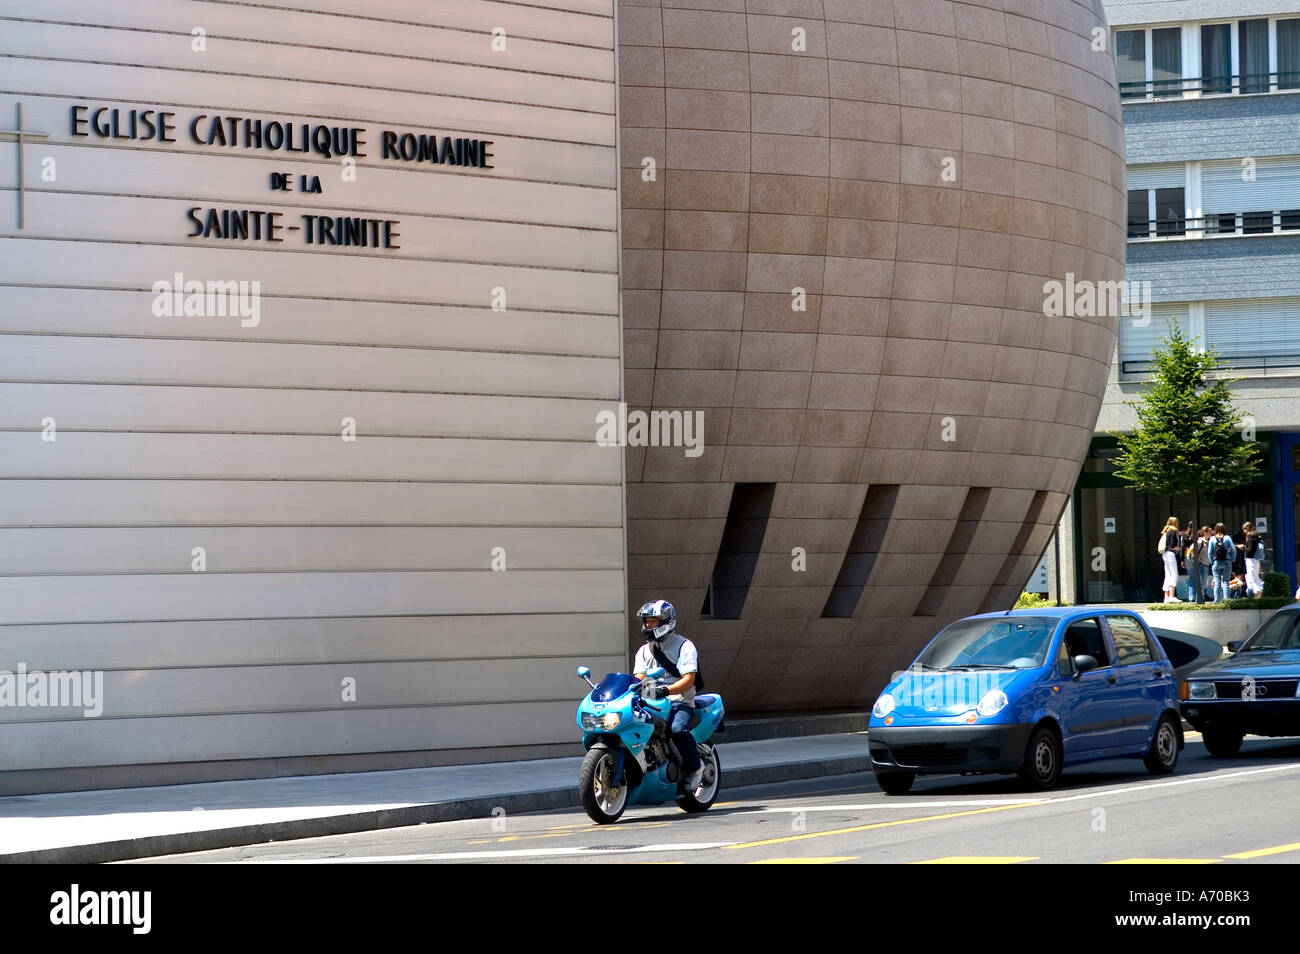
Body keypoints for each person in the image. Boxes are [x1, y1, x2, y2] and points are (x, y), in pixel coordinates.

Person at [633, 599, 703, 791]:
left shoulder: (685, 646)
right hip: (652, 700)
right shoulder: (643, 651)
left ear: (666, 622)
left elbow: (689, 680)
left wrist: (666, 690)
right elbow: (639, 679)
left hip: (679, 700)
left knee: (677, 729)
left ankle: (695, 769)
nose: (648, 625)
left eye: (653, 622)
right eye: (647, 621)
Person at [1209, 523, 1236, 603]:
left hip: (1216, 562)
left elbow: (1210, 552)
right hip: (1227, 562)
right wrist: (1232, 559)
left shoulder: (1212, 539)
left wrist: (1212, 561)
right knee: (1226, 582)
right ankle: (1226, 600)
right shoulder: (1227, 538)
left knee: (1217, 582)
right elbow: (1233, 550)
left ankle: (1217, 600)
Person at [1157, 516, 1181, 603]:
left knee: (1167, 574)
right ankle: (1172, 596)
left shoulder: (1166, 531)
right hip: (1171, 554)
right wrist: (1177, 548)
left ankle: (1166, 596)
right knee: (1174, 574)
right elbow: (1173, 545)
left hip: (1165, 554)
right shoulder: (1174, 531)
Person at [1241, 522, 1264, 599]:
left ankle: (1257, 595)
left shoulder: (1250, 536)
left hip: (1251, 559)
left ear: (1247, 528)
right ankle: (1257, 594)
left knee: (1253, 577)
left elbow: (1250, 550)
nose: (1244, 531)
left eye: (1244, 529)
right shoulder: (1256, 536)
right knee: (1255, 577)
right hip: (1255, 560)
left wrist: (1244, 547)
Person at [1188, 526, 1210, 604]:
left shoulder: (1206, 542)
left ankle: (1201, 598)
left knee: (1204, 583)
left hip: (1205, 564)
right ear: (1205, 533)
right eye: (1209, 532)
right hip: (1202, 564)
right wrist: (1195, 558)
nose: (1210, 534)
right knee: (1202, 583)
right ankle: (1199, 599)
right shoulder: (1200, 541)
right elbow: (1191, 549)